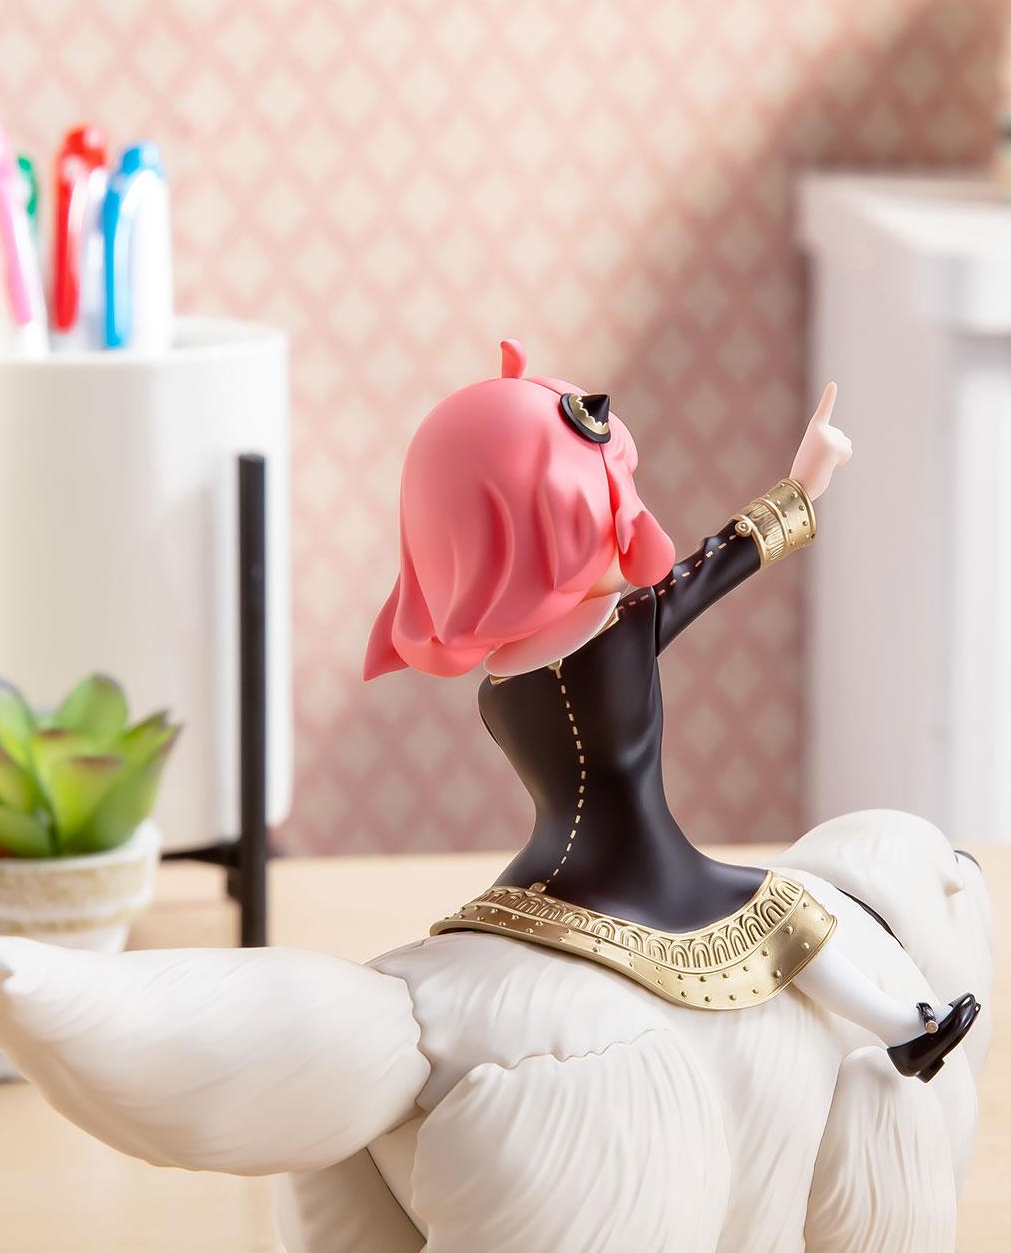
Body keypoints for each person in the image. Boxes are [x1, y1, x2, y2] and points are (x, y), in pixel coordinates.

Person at [366, 340, 978, 1079]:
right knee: (787, 911)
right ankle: (905, 1026)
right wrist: (802, 487)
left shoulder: (496, 694)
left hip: (536, 881)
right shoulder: (624, 631)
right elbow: (719, 561)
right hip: (645, 876)